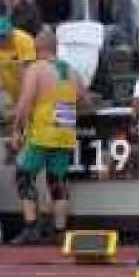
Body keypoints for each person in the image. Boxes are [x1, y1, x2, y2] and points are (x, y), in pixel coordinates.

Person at [9, 28, 85, 245]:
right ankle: (60, 231)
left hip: (43, 132)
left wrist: (17, 130)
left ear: (36, 48)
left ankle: (31, 227)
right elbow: (82, 97)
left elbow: (24, 103)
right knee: (57, 180)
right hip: (65, 133)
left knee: (24, 176)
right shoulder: (71, 70)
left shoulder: (36, 68)